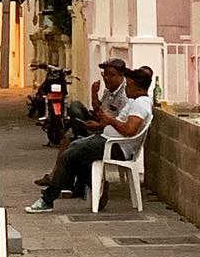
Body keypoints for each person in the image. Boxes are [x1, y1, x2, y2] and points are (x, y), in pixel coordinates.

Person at [25, 66, 154, 213]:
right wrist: (102, 124)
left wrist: (110, 121)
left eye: (129, 86)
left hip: (115, 146)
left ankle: (47, 200)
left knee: (68, 155)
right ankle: (93, 186)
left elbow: (130, 130)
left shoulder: (140, 104)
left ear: (138, 88)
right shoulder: (136, 101)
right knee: (74, 149)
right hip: (107, 139)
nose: (126, 89)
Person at [35, 58, 127, 188]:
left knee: (72, 143)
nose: (106, 78)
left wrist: (100, 125)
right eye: (104, 74)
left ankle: (58, 182)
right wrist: (94, 94)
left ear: (121, 75)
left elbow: (120, 124)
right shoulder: (109, 91)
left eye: (111, 75)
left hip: (111, 136)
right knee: (74, 112)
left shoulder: (125, 96)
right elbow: (100, 111)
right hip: (102, 127)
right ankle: (57, 177)